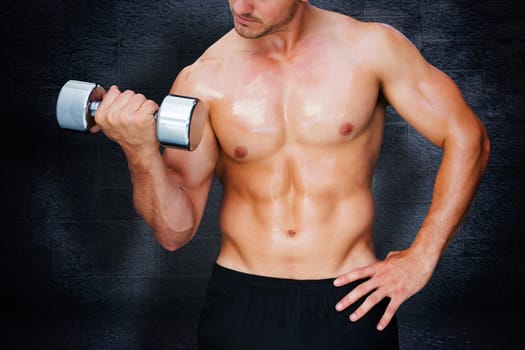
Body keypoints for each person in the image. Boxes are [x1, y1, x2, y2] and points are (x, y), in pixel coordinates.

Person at [92, 1, 490, 349]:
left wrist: (423, 256)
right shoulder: (202, 81)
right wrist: (140, 150)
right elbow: (173, 232)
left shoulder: (371, 49)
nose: (241, 6)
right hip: (243, 302)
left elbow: (468, 137)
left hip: (350, 299)